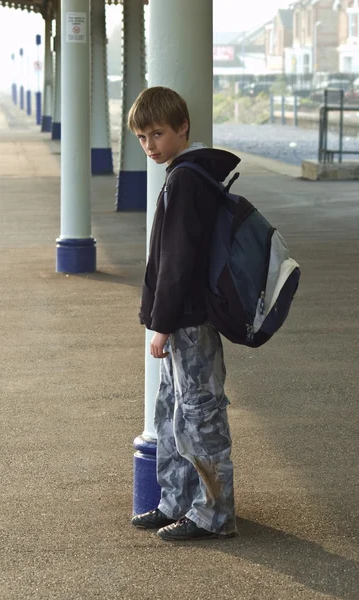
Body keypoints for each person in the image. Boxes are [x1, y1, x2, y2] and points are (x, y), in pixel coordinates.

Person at [128, 86, 240, 541]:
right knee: (172, 414)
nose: (150, 145)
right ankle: (176, 501)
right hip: (183, 320)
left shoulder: (187, 180)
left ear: (183, 128)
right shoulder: (186, 176)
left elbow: (176, 263)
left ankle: (214, 515)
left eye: (157, 133)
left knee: (200, 417)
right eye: (141, 137)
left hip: (189, 321)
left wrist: (161, 324)